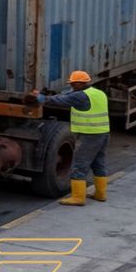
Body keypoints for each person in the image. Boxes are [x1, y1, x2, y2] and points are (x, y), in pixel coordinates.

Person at [28, 70, 109, 206]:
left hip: (89, 135)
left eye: (73, 84)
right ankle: (100, 194)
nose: (71, 86)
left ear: (79, 83)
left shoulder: (80, 97)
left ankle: (78, 198)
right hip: (103, 133)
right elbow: (67, 95)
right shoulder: (98, 93)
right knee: (98, 163)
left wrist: (39, 98)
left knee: (78, 165)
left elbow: (59, 100)